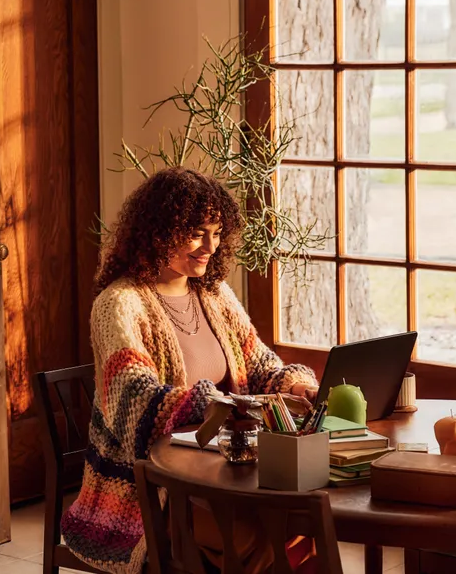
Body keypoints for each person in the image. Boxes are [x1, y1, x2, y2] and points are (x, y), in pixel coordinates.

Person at [60, 167, 319, 574]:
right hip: (152, 491)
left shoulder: (214, 294)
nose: (210, 247)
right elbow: (134, 399)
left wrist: (297, 386)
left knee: (304, 523)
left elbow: (259, 362)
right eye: (197, 232)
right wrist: (222, 404)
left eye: (217, 233)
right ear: (157, 231)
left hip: (227, 470)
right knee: (262, 536)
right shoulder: (119, 303)